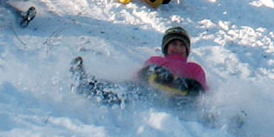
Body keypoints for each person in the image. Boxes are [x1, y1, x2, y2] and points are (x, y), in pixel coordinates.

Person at [71, 26, 207, 104]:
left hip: (177, 99)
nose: (177, 48)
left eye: (181, 45)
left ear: (187, 50)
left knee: (190, 89)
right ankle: (86, 84)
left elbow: (203, 91)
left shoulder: (194, 68)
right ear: (166, 47)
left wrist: (189, 85)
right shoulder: (156, 60)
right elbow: (139, 76)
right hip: (150, 92)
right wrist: (148, 73)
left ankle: (174, 83)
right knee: (124, 89)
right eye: (173, 44)